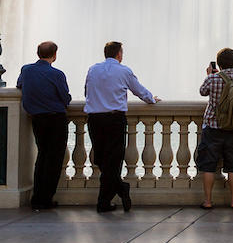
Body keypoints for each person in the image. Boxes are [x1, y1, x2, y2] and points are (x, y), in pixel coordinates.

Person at [84, 41, 160, 213]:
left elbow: (87, 91)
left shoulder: (92, 69)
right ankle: (120, 189)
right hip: (114, 119)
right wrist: (152, 99)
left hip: (94, 119)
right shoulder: (124, 71)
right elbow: (139, 91)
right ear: (119, 54)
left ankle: (104, 202)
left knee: (102, 159)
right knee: (112, 160)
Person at [16, 40, 72, 211]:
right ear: (54, 56)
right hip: (55, 119)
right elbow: (65, 98)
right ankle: (46, 198)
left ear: (37, 53)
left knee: (42, 157)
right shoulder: (57, 74)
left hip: (37, 118)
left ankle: (37, 197)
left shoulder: (26, 70)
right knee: (54, 160)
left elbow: (19, 85)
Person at [196, 47, 233, 210]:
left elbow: (202, 92)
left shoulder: (213, 78)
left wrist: (210, 75)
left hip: (213, 127)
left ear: (218, 64)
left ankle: (207, 201)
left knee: (208, 165)